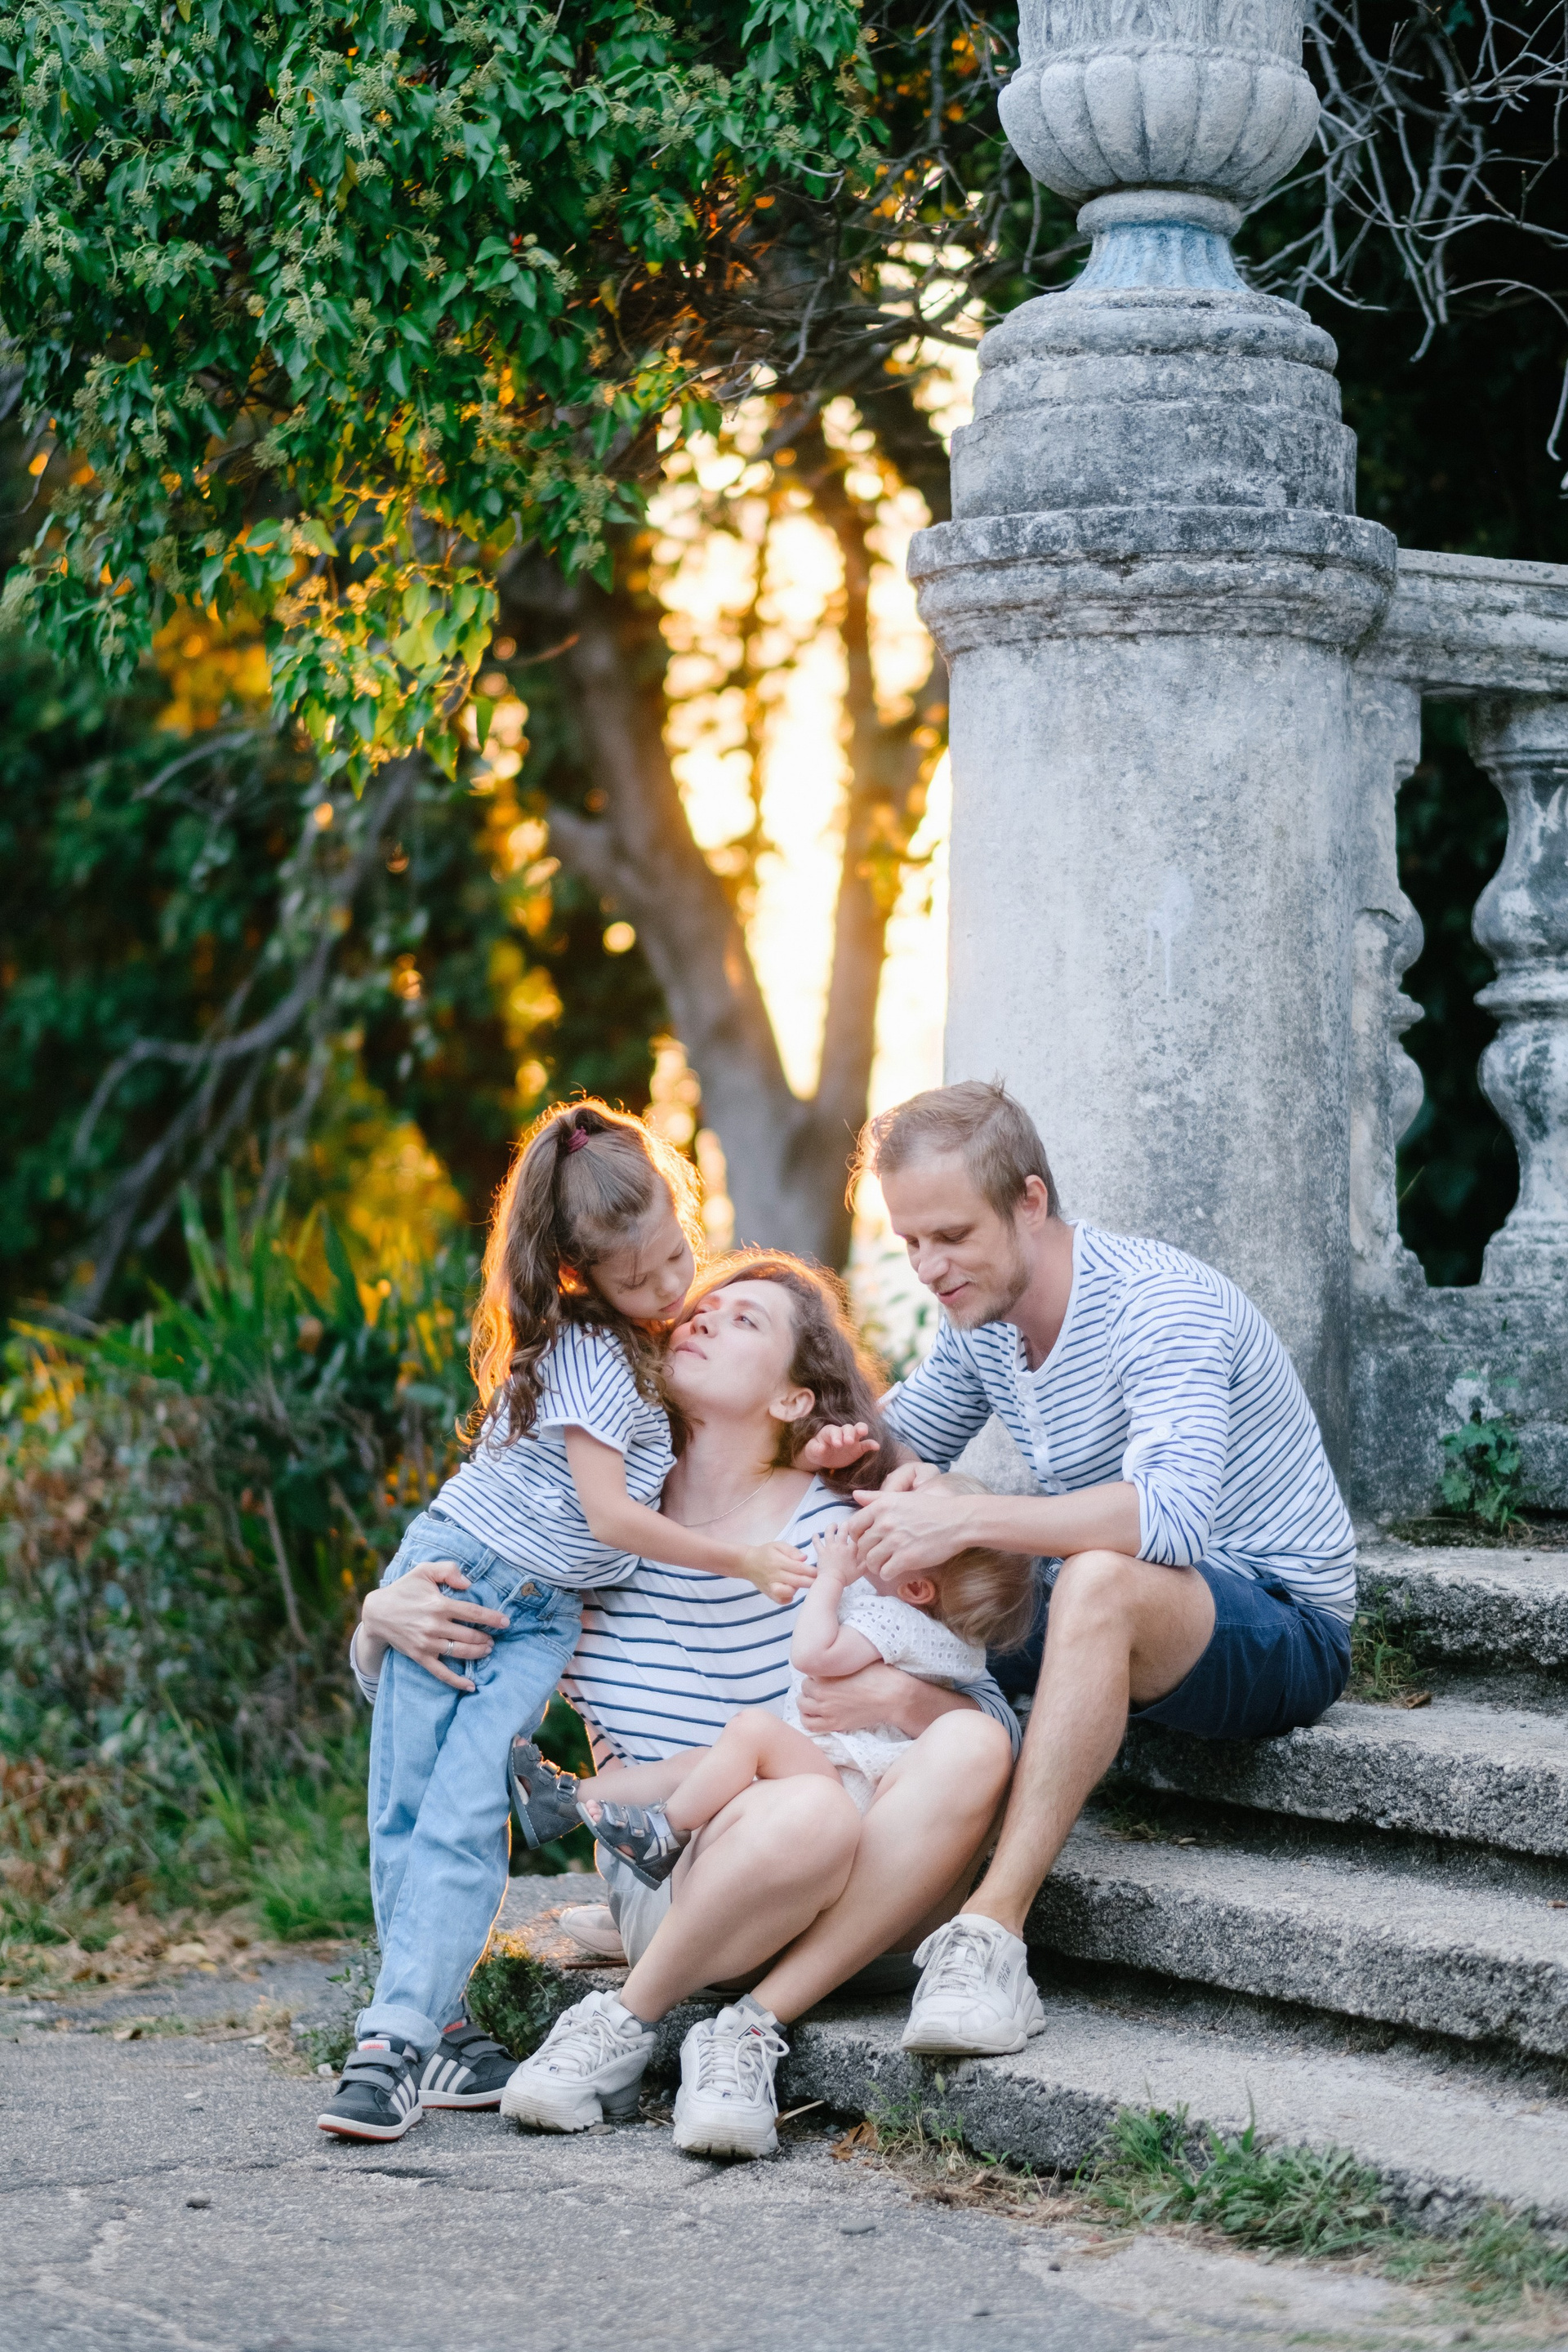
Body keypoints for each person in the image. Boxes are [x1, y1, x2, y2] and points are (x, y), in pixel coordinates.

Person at [832, 1079, 1357, 2060]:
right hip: (1112, 1599)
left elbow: (1169, 1520)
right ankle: (804, 1881)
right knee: (892, 1572)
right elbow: (895, 1445)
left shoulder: (1159, 1305)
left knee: (1095, 1578)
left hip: (1279, 1616)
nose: (930, 1268)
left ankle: (990, 1937)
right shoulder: (983, 1319)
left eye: (951, 1235)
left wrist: (963, 1513)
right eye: (911, 1243)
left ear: (1029, 1200)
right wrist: (829, 1453)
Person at [318, 1103, 809, 2144]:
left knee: (460, 1810)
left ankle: (405, 2035)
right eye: (641, 1279)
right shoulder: (588, 1347)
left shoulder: (658, 1345)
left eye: (679, 1255)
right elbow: (610, 1517)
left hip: (544, 1615)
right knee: (410, 1807)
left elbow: (749, 1429)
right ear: (582, 1277)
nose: (672, 1288)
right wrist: (740, 1558)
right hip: (464, 1577)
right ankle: (414, 2037)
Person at [497, 1253, 1021, 2159]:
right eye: (702, 1310)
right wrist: (382, 1627)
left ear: (792, 1398)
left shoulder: (846, 1529)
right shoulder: (590, 1531)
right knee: (805, 1810)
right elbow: (441, 1683)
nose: (703, 1319)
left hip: (876, 1903)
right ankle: (631, 2023)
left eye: (746, 1320)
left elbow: (991, 1731)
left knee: (965, 1745)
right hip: (698, 1897)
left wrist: (896, 1694)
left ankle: (738, 2030)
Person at [566, 1504, 1036, 1882]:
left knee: (749, 1734)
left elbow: (813, 1655)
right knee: (702, 1763)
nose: (877, 1533)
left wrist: (831, 1577)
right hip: (847, 1779)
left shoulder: (893, 1619)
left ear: (915, 1587)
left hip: (840, 1780)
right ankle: (567, 1800)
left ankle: (663, 1832)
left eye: (896, 1538)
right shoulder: (954, 1643)